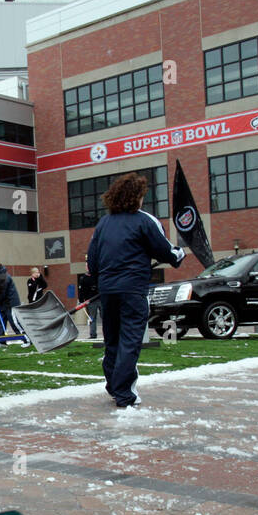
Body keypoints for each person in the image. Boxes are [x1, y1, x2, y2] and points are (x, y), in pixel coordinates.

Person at [86, 172, 185, 408]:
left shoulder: (103, 223)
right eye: (141, 195)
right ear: (136, 197)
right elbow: (167, 252)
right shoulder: (144, 220)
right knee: (130, 340)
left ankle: (114, 386)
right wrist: (179, 254)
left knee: (113, 340)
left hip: (108, 291)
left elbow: (93, 263)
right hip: (132, 291)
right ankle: (124, 393)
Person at [77, 254, 102, 340]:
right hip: (90, 301)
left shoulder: (97, 276)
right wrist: (81, 300)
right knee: (92, 318)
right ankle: (93, 334)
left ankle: (108, 333)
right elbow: (81, 290)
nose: (87, 268)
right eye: (86, 266)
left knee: (105, 317)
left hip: (100, 298)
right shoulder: (83, 278)